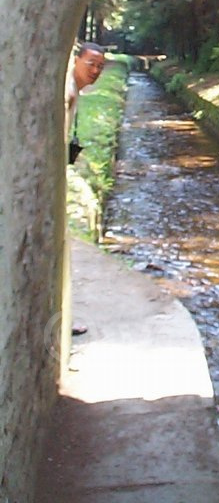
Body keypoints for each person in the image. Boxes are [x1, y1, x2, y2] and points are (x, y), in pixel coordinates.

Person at [65, 42, 106, 337]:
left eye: (100, 67)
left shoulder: (73, 91)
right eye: (90, 63)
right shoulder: (66, 92)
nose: (94, 71)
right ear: (76, 61)